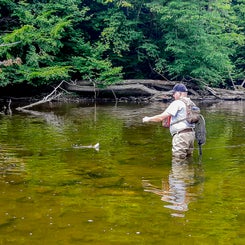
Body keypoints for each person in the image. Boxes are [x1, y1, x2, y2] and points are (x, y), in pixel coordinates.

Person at [142, 83, 196, 159]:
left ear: (179, 93)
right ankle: (188, 171)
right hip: (191, 135)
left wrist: (148, 119)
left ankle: (179, 171)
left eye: (174, 93)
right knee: (188, 159)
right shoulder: (191, 103)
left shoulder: (177, 103)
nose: (173, 95)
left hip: (181, 136)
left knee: (178, 160)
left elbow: (161, 118)